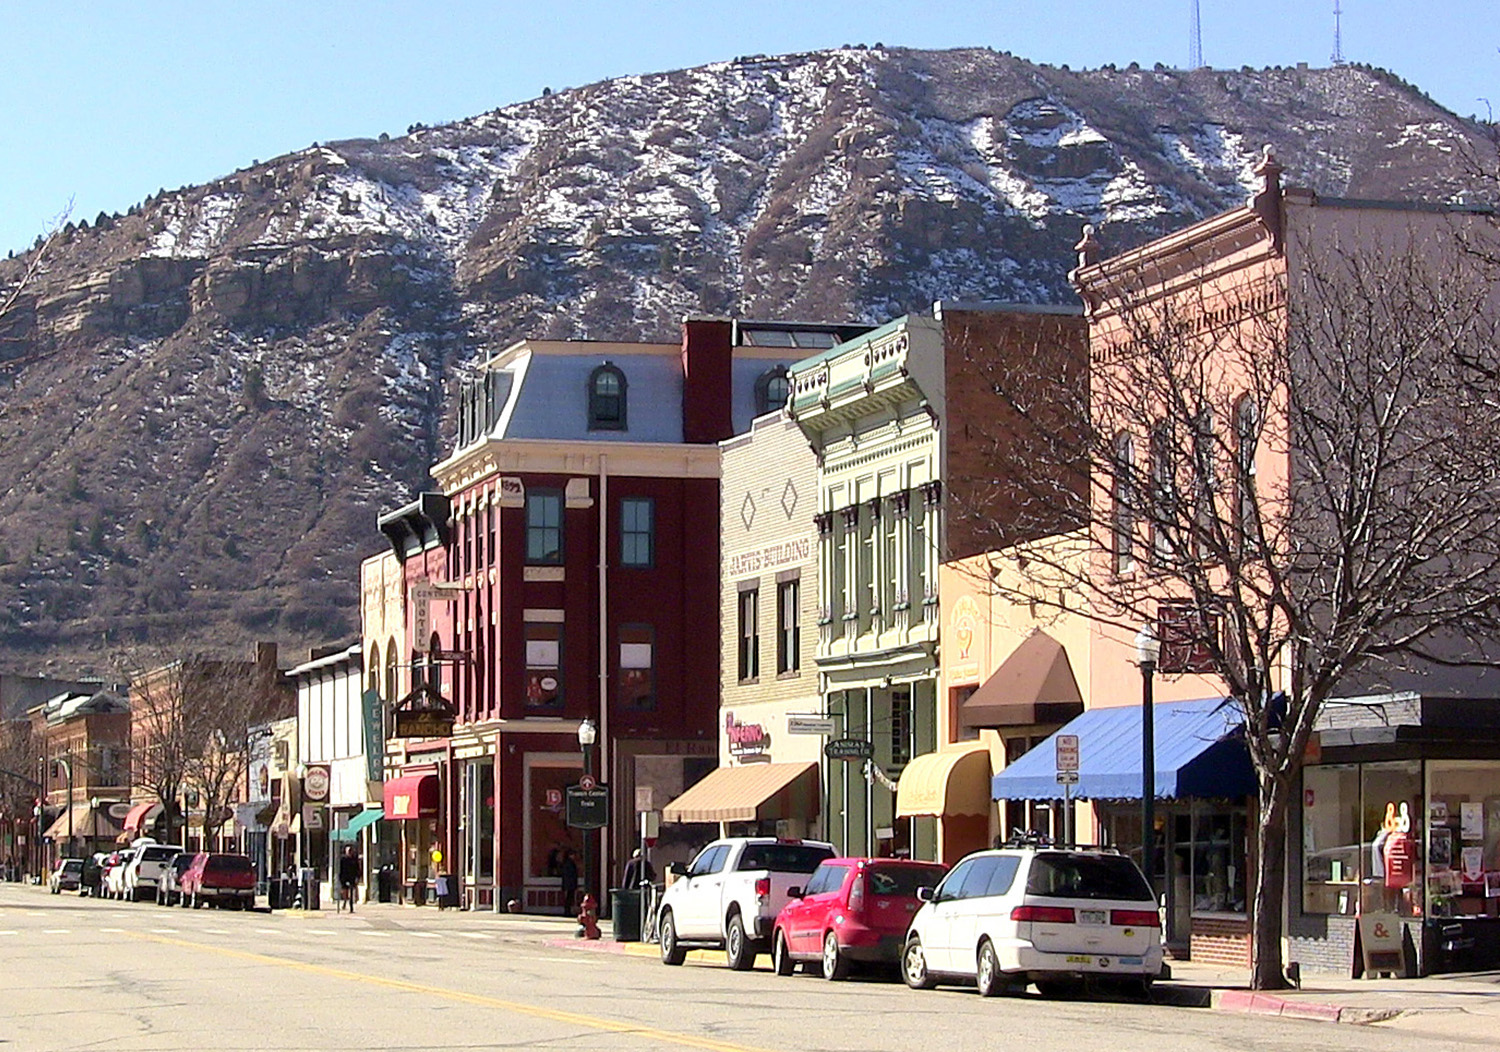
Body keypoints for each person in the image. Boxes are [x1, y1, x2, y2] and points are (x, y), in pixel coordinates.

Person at [337, 845, 361, 913]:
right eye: (348, 851)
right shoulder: (343, 859)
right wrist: (341, 878)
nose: (349, 852)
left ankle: (351, 907)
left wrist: (358, 877)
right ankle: (344, 901)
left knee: (351, 892)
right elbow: (341, 869)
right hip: (345, 877)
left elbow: (357, 868)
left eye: (350, 851)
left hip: (352, 877)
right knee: (345, 892)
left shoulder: (354, 859)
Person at [559, 848, 579, 914]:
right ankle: (567, 911)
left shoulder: (568, 863)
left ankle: (568, 911)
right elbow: (570, 874)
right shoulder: (569, 863)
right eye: (573, 855)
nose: (574, 856)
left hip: (569, 884)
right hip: (570, 884)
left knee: (569, 898)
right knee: (569, 898)